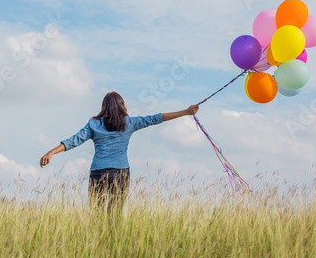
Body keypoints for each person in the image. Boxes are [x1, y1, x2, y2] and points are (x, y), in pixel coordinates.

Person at [39, 91, 199, 215]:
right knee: (114, 215)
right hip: (120, 173)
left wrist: (51, 152)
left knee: (97, 215)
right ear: (122, 106)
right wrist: (185, 112)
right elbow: (156, 118)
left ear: (103, 107)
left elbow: (75, 140)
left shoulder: (93, 124)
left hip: (98, 173)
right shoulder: (129, 123)